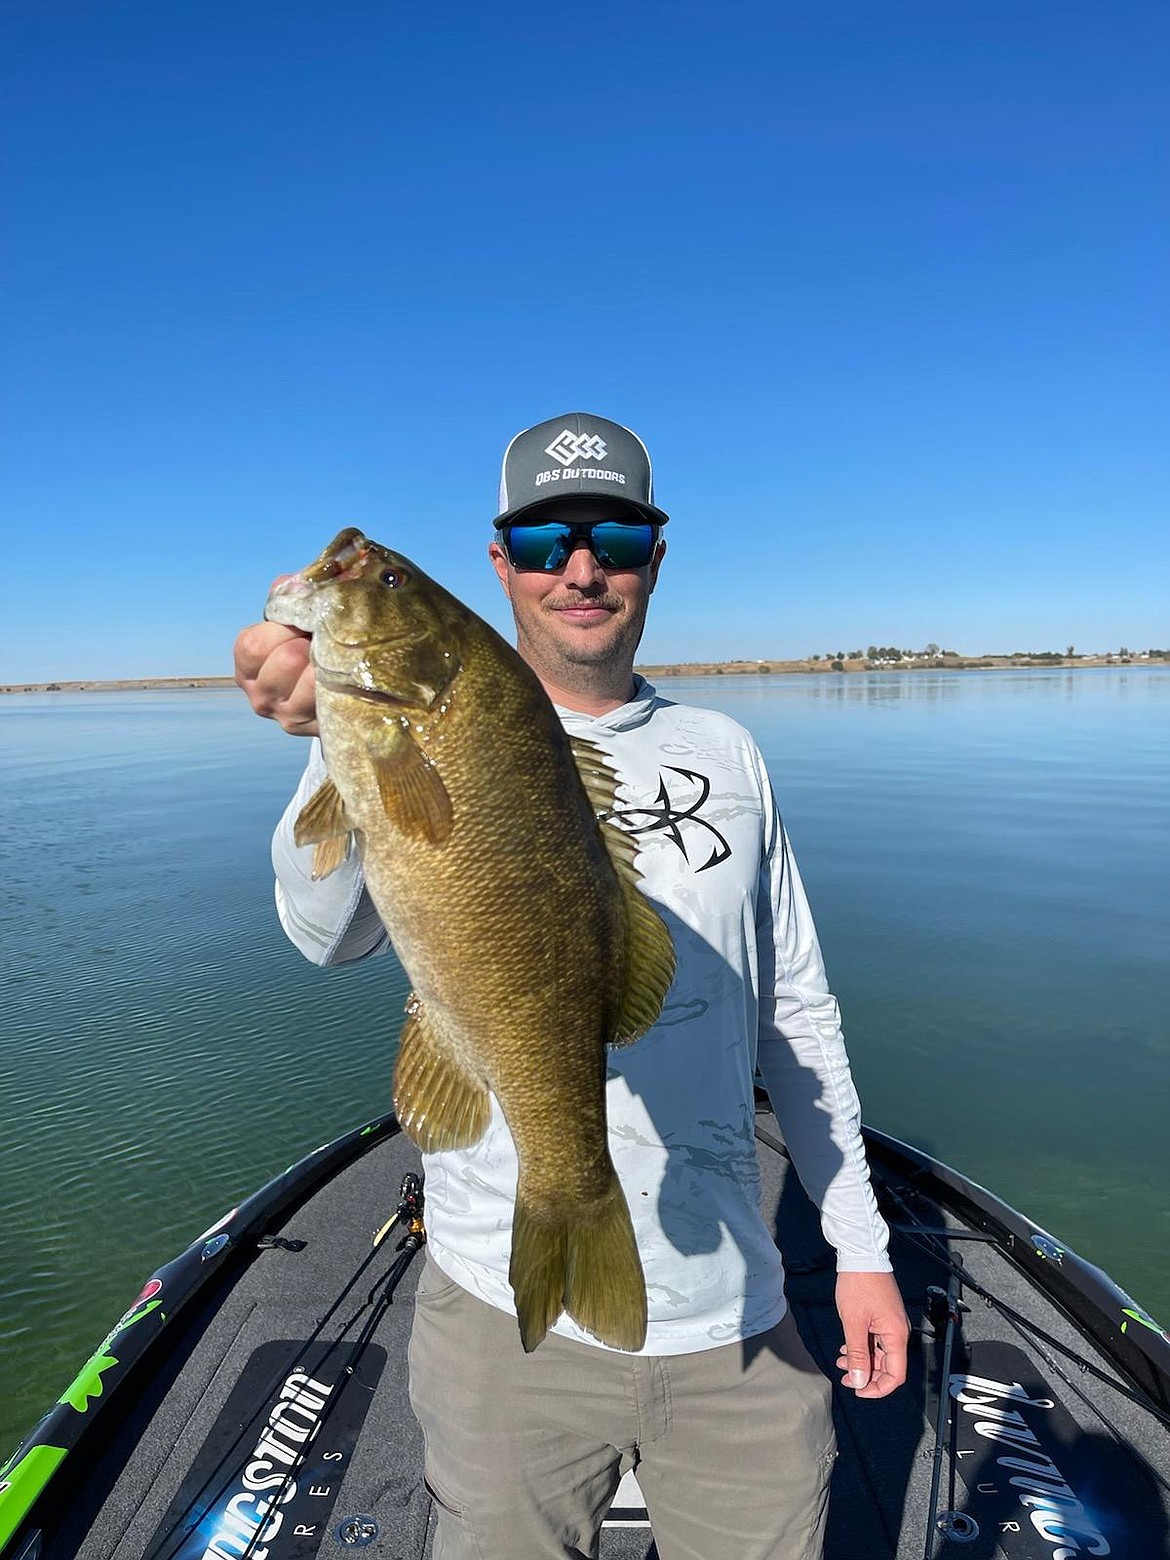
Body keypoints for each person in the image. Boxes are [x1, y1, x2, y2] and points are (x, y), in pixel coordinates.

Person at [234, 413, 910, 1560]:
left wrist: (862, 1249)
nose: (581, 568)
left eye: (616, 538)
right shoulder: (413, 721)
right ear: (501, 564)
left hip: (733, 1313)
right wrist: (329, 737)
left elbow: (796, 1009)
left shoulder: (729, 750)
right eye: (545, 540)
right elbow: (325, 937)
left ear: (656, 557)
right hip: (499, 1309)